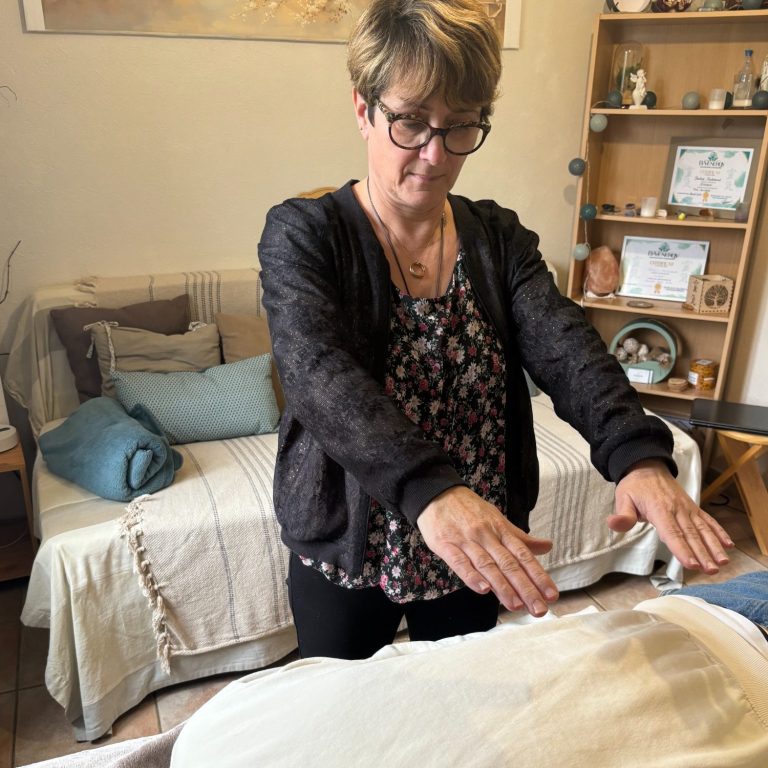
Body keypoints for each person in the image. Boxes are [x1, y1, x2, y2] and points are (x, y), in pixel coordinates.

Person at [258, 0, 733, 661]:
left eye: (459, 128)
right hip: (354, 544)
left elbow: (568, 348)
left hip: (477, 540)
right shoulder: (304, 234)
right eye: (411, 123)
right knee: (343, 718)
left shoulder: (497, 238)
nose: (433, 154)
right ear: (364, 108)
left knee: (462, 711)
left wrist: (635, 452)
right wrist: (434, 491)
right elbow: (318, 378)